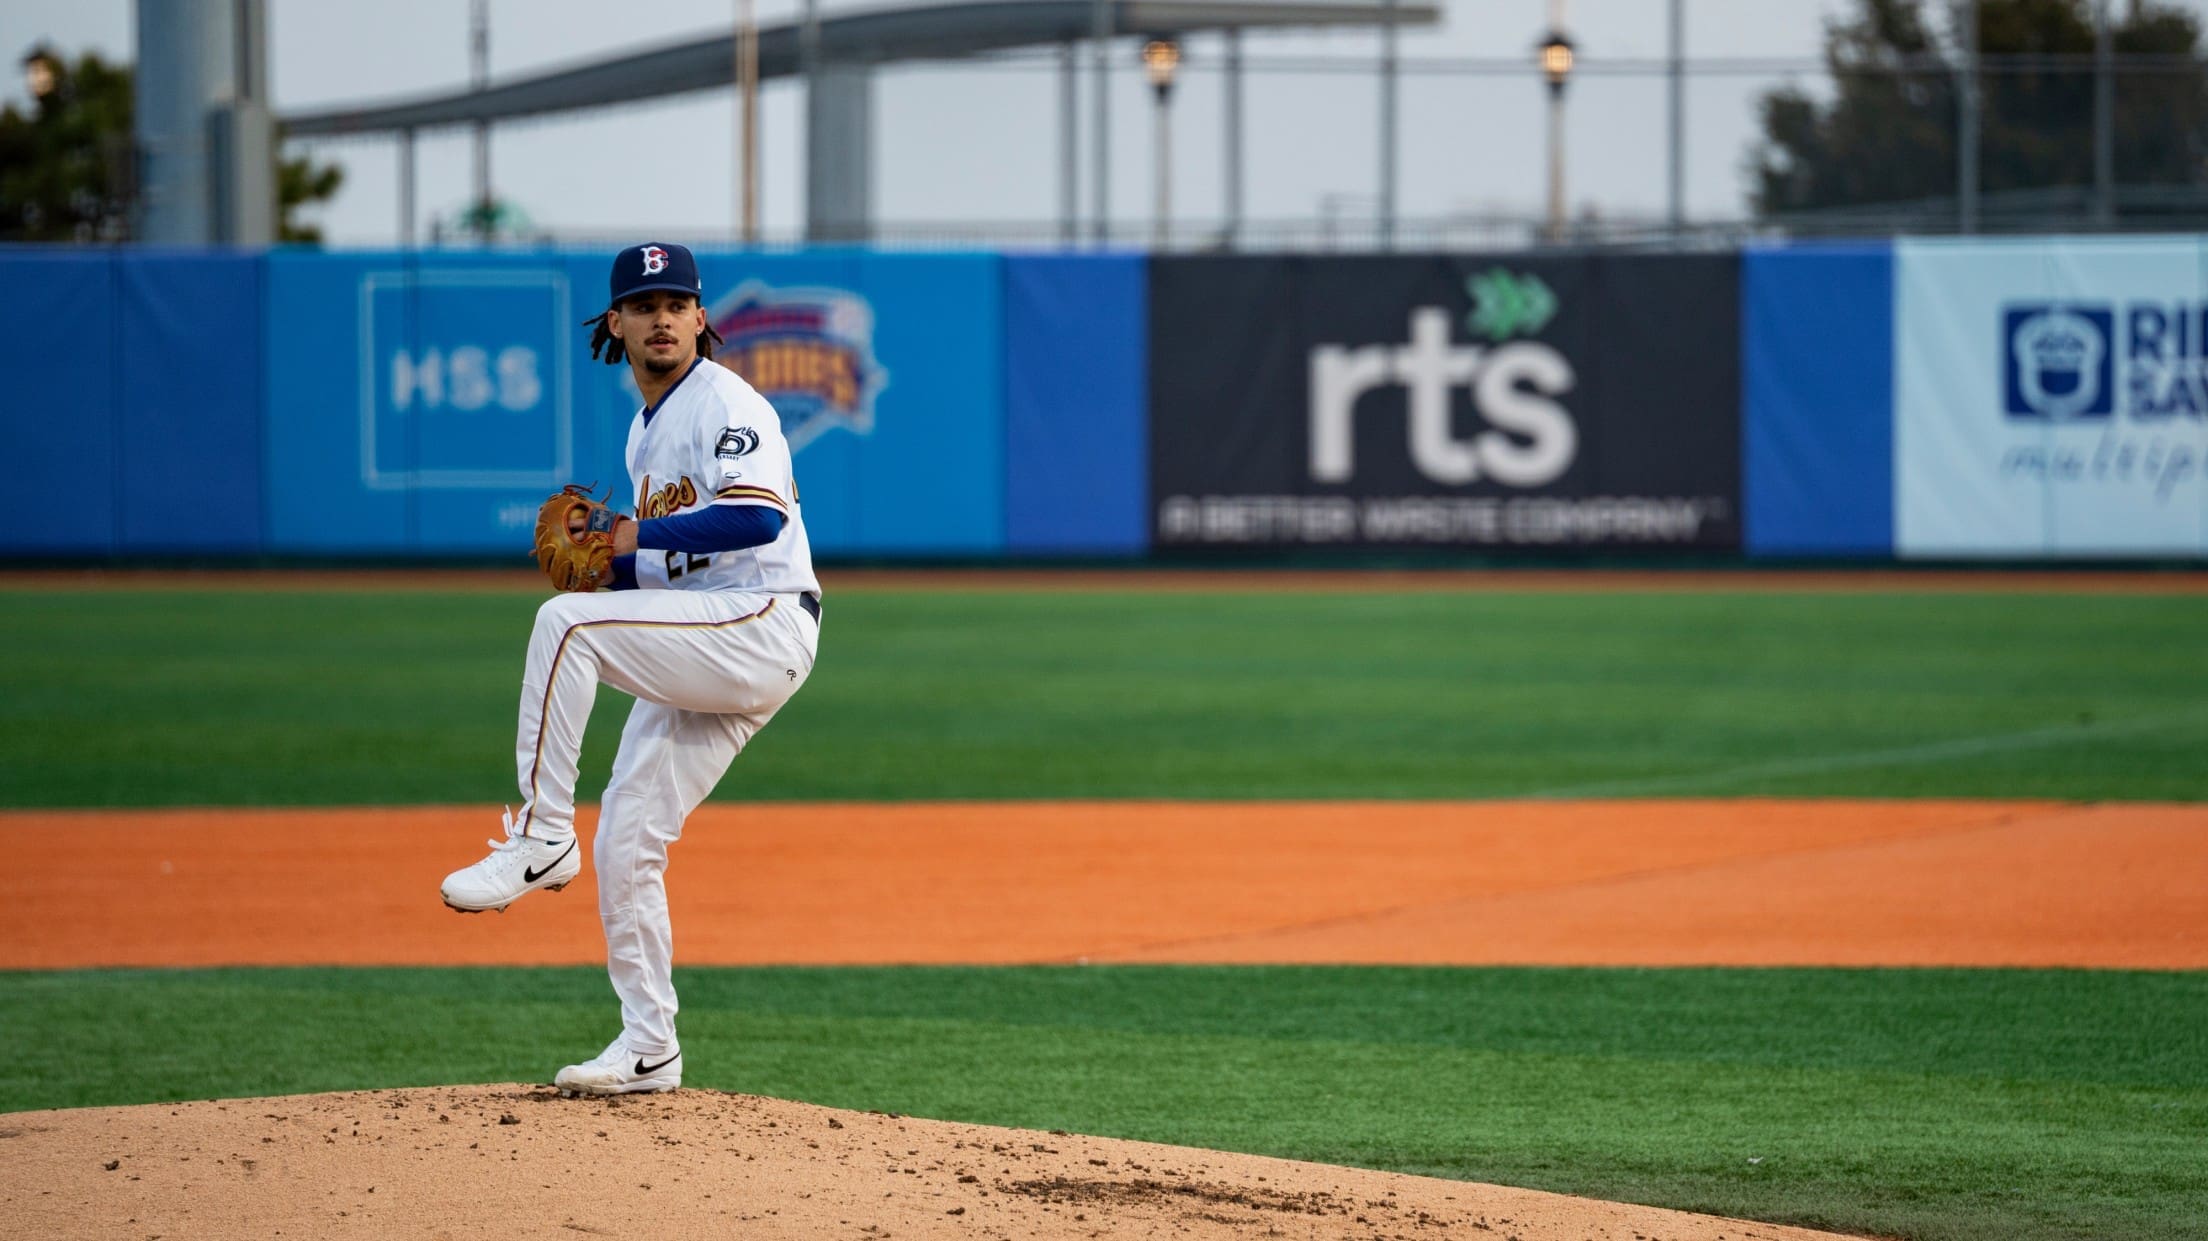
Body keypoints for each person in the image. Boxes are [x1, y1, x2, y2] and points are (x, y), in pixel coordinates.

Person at [439, 242, 821, 1096]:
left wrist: (631, 538)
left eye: (676, 303)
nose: (661, 318)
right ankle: (650, 1044)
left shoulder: (728, 402)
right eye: (643, 305)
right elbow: (661, 572)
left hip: (760, 619)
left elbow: (755, 521)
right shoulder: (646, 429)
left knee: (565, 627)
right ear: (616, 323)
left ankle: (541, 837)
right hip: (709, 631)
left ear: (700, 319)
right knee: (627, 837)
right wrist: (614, 562)